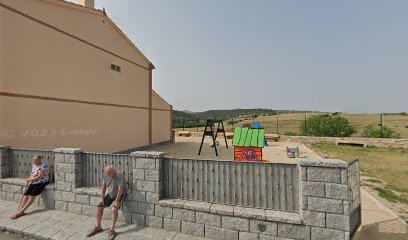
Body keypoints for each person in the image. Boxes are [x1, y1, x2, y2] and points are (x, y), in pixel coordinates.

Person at [87, 165, 127, 240]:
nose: (109, 175)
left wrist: (117, 201)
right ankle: (98, 227)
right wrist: (102, 197)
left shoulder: (119, 175)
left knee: (114, 209)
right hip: (111, 194)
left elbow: (120, 189)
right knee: (99, 207)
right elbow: (104, 187)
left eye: (111, 173)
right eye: (108, 174)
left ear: (113, 171)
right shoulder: (106, 176)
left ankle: (112, 230)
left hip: (121, 194)